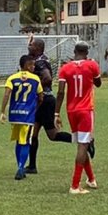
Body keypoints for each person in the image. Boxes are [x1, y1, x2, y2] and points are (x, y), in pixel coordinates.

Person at [56, 42, 102, 195]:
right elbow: (98, 83)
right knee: (83, 146)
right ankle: (75, 186)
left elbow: (61, 92)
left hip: (71, 111)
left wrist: (56, 113)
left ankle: (91, 179)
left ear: (74, 51)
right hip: (85, 110)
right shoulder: (92, 65)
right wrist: (93, 68)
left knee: (82, 144)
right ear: (87, 52)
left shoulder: (65, 68)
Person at [25, 34, 73, 174]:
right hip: (39, 102)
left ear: (38, 48)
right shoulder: (36, 59)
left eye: (32, 45)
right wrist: (29, 41)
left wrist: (36, 87)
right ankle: (32, 166)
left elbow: (48, 78)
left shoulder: (41, 62)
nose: (29, 47)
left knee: (52, 135)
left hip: (45, 101)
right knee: (33, 134)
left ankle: (84, 141)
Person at [0, 54, 42, 180]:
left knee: (19, 140)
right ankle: (21, 168)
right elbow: (41, 96)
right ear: (26, 65)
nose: (34, 67)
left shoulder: (12, 78)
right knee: (26, 141)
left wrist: (2, 111)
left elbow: (6, 94)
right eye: (32, 64)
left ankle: (19, 166)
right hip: (27, 116)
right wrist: (35, 107)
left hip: (15, 115)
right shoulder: (35, 79)